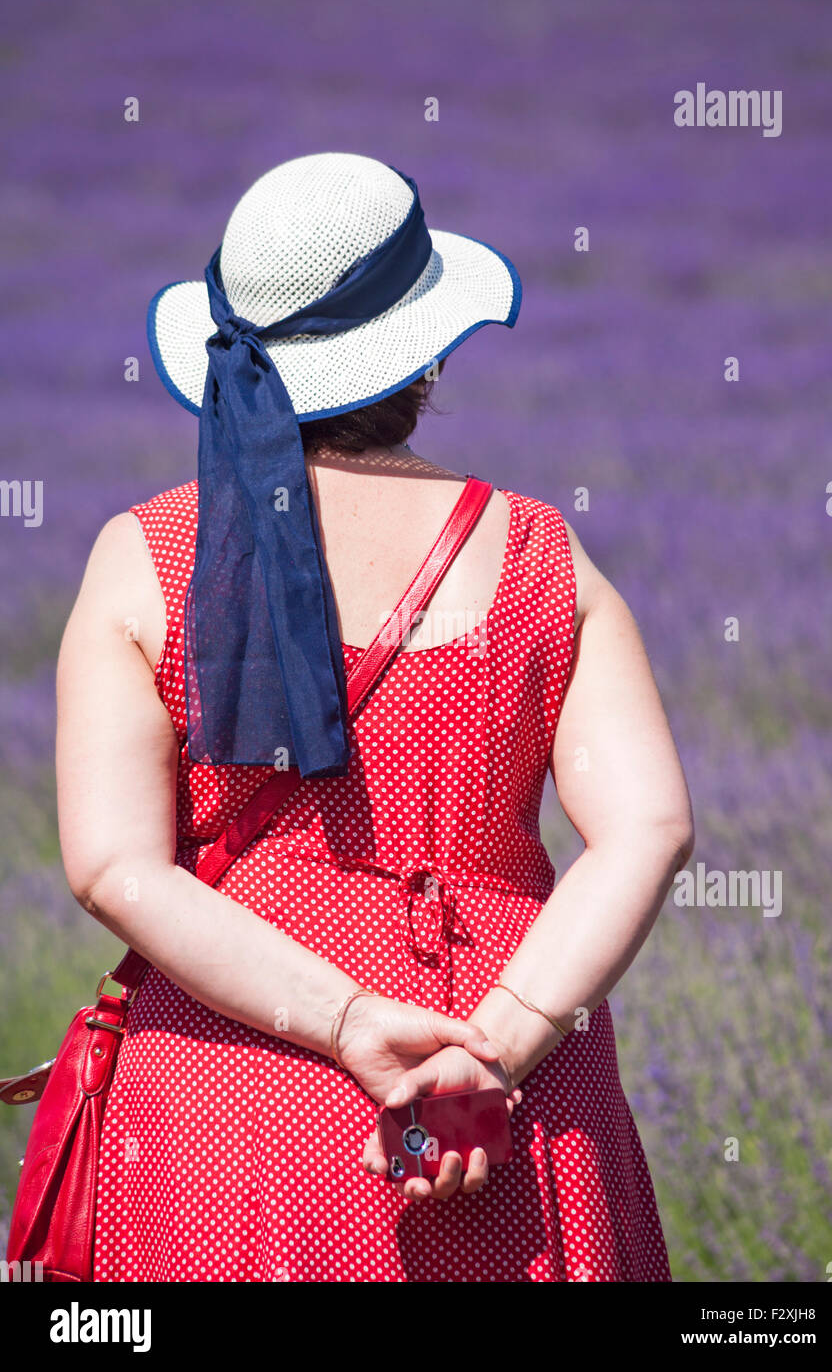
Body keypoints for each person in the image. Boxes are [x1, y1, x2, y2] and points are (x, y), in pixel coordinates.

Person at [55, 153, 694, 1282]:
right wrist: (491, 1046)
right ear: (429, 354)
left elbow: (113, 867)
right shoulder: (544, 554)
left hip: (226, 1098)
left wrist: (347, 1020)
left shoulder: (140, 557)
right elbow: (647, 831)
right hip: (502, 1106)